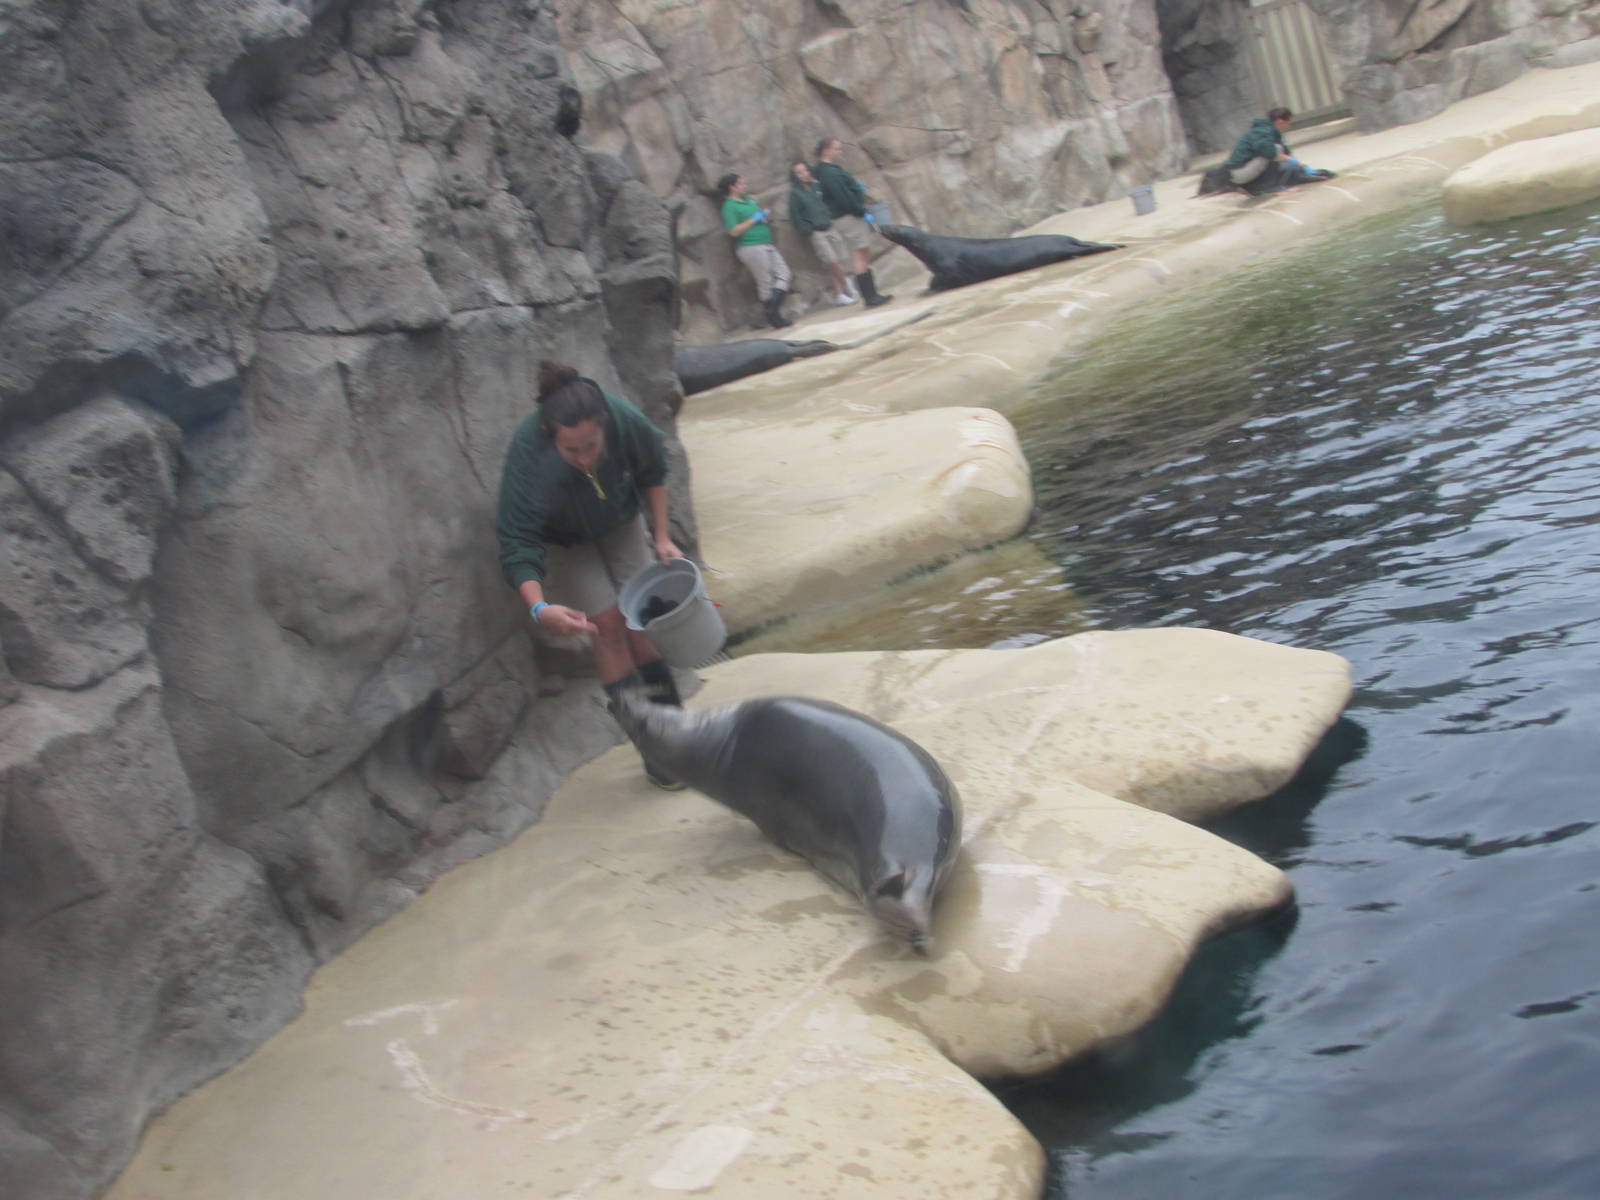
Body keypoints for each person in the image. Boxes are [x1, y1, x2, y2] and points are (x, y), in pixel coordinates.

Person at [496, 360, 687, 789]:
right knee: (607, 626)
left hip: (620, 520)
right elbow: (516, 542)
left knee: (638, 619)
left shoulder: (622, 419)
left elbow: (653, 469)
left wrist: (661, 536)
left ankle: (679, 737)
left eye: (591, 446)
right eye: (572, 450)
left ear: (603, 426)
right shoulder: (528, 457)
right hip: (566, 541)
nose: (584, 458)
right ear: (551, 438)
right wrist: (539, 606)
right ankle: (655, 752)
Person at [813, 136, 893, 307]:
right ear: (826, 150)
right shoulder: (829, 172)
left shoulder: (829, 170)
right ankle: (870, 296)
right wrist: (860, 209)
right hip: (847, 216)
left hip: (847, 216)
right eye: (836, 148)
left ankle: (872, 294)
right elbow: (842, 197)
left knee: (863, 253)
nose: (839, 151)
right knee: (859, 255)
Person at [717, 173, 793, 328]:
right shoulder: (729, 206)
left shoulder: (749, 200)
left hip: (766, 242)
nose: (745, 185)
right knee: (765, 281)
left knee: (784, 274)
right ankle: (775, 318)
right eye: (741, 183)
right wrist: (754, 219)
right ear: (732, 187)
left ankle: (772, 311)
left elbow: (757, 216)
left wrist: (763, 216)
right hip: (750, 246)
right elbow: (733, 231)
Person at [1208, 106, 1335, 196]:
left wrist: (1303, 168)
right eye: (1288, 123)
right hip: (1239, 172)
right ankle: (1272, 188)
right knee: (1275, 151)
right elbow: (1268, 152)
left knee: (1281, 154)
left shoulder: (1272, 132)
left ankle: (1256, 187)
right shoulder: (1263, 131)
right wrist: (1291, 160)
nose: (1289, 127)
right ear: (1280, 122)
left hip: (1246, 171)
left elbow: (1286, 155)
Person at [787, 161, 857, 306]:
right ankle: (848, 286)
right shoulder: (795, 194)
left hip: (829, 225)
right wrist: (807, 228)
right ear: (795, 176)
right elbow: (796, 216)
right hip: (816, 231)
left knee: (839, 260)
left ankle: (839, 294)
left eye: (805, 170)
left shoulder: (817, 186)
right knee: (832, 261)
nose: (804, 174)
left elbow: (827, 202)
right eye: (799, 172)